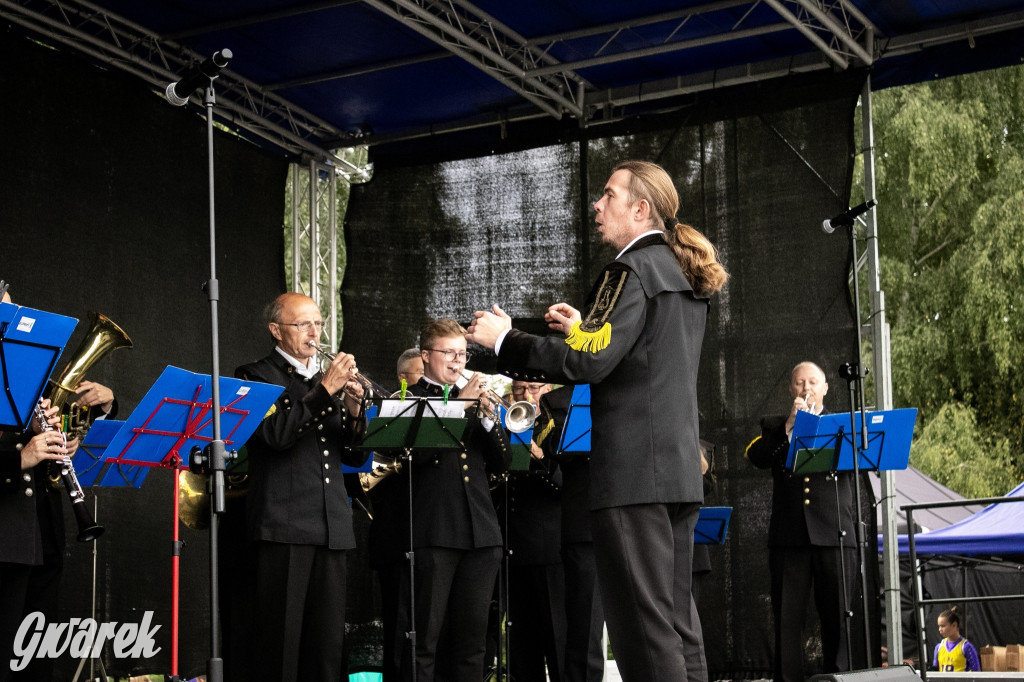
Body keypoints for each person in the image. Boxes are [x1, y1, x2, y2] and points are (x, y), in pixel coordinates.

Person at [468, 160, 728, 682]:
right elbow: (634, 354)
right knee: (678, 625)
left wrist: (503, 339)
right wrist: (586, 327)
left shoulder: (629, 269)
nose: (597, 205)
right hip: (675, 471)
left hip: (633, 475)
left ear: (640, 208)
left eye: (609, 195)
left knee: (643, 629)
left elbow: (589, 363)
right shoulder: (679, 273)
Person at [234, 292, 369, 682]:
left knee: (326, 651)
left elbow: (356, 458)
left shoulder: (326, 380)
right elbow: (275, 436)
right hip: (284, 525)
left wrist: (356, 410)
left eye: (319, 323)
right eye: (303, 324)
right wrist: (326, 391)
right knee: (280, 647)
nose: (315, 332)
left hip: (332, 525)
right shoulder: (254, 375)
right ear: (276, 331)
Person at [397, 318, 510, 682]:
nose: (458, 361)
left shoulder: (477, 402)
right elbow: (414, 456)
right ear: (426, 356)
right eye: (449, 353)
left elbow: (505, 464)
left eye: (462, 354)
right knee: (425, 640)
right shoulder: (407, 400)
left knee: (473, 642)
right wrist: (458, 408)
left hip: (481, 535)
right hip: (434, 533)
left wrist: (490, 419)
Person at [745, 361, 857, 681]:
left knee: (838, 620)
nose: (805, 387)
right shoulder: (775, 427)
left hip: (835, 535)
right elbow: (759, 459)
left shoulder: (842, 426)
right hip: (789, 538)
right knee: (787, 621)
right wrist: (790, 426)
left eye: (812, 382)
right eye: (799, 383)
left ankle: (838, 678)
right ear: (791, 390)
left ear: (825, 388)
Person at [499, 380, 565, 682]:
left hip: (549, 552)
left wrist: (539, 457)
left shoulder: (561, 424)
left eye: (533, 388)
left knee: (559, 644)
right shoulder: (506, 422)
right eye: (519, 389)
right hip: (512, 551)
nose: (526, 395)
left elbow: (567, 484)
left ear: (548, 389)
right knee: (522, 653)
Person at [542, 385, 606, 682]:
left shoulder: (633, 384)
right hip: (585, 526)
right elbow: (552, 450)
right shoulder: (556, 400)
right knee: (584, 629)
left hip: (632, 517)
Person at [933, 607, 981, 672]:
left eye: (943, 626)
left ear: (954, 625)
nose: (940, 629)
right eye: (939, 626)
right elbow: (935, 671)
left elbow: (976, 672)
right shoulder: (939, 647)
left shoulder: (966, 647)